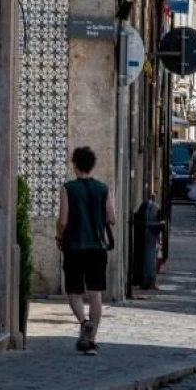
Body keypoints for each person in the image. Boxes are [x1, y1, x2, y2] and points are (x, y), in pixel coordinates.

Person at [56, 146, 116, 355]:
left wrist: (59, 236)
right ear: (92, 165)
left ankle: (83, 322)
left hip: (74, 246)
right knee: (95, 293)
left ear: (74, 165)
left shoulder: (68, 188)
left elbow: (63, 220)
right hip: (97, 248)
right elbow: (112, 218)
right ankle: (91, 339)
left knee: (73, 291)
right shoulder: (103, 188)